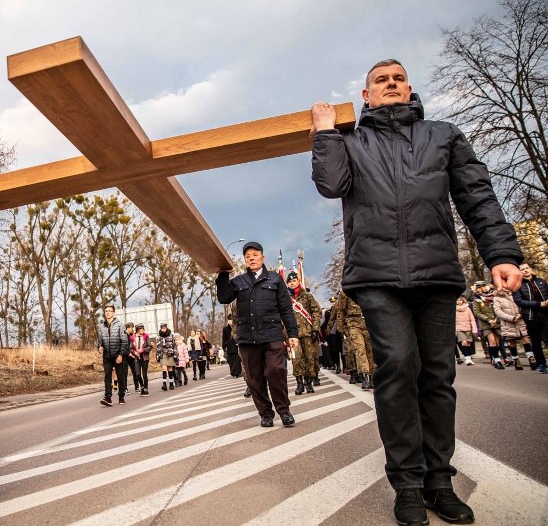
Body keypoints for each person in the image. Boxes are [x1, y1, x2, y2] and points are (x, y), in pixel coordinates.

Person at [311, 59, 523, 526]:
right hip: (377, 276)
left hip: (436, 272)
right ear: (365, 96)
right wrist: (324, 132)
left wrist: (501, 253)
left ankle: (440, 482)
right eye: (380, 81)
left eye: (398, 79)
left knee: (437, 377)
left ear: (409, 90)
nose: (391, 84)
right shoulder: (351, 141)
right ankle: (407, 484)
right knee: (399, 367)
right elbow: (331, 185)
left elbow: (477, 197)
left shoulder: (442, 136)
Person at [216, 241, 299, 428]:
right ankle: (265, 414)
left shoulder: (275, 280)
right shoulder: (238, 281)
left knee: (276, 371)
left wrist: (292, 333)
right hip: (247, 338)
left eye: (255, 254)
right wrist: (222, 275)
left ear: (263, 257)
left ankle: (284, 411)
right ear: (245, 260)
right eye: (247, 256)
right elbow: (224, 298)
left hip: (272, 335)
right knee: (254, 378)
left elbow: (286, 309)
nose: (251, 258)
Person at [285, 271, 322, 395]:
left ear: (298, 281)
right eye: (290, 282)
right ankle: (299, 383)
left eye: (294, 281)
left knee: (309, 358)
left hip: (308, 333)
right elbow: (281, 317)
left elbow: (316, 312)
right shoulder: (285, 299)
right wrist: (285, 334)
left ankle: (308, 382)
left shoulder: (307, 296)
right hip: (293, 335)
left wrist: (315, 329)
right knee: (297, 359)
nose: (292, 283)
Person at [513, 263, 548, 373]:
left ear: (530, 269)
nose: (525, 270)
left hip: (546, 314)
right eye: (522, 269)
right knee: (536, 341)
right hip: (531, 317)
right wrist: (538, 304)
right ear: (519, 272)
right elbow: (519, 301)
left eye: (527, 268)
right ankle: (541, 364)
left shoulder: (540, 281)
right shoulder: (517, 285)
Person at [98, 304, 129, 406]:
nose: (107, 312)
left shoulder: (120, 325)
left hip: (118, 355)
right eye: (106, 311)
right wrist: (99, 347)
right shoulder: (101, 326)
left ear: (114, 313)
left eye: (110, 311)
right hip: (107, 356)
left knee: (120, 377)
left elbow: (125, 341)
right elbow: (99, 341)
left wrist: (121, 355)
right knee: (107, 376)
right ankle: (108, 398)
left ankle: (121, 396)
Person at [494, 287, 531, 370]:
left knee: (525, 338)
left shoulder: (516, 294)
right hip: (508, 322)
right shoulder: (497, 298)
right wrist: (511, 318)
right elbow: (498, 312)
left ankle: (531, 358)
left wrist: (520, 314)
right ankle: (516, 360)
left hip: (520, 320)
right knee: (512, 341)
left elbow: (523, 305)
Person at [472, 282, 506, 369]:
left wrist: (496, 319)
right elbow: (477, 312)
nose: (482, 289)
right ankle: (497, 360)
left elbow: (499, 309)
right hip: (486, 324)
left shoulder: (494, 297)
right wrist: (488, 320)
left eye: (483, 286)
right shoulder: (477, 300)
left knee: (497, 342)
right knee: (492, 341)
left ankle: (494, 358)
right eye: (479, 287)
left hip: (496, 322)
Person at [454, 296, 478, 366]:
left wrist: (474, 329)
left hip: (468, 328)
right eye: (457, 300)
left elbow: (472, 319)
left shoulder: (468, 309)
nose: (459, 301)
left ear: (463, 301)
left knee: (468, 343)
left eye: (460, 300)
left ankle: (469, 357)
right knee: (463, 342)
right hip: (459, 329)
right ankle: (467, 359)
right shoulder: (454, 309)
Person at [155, 322, 178, 390]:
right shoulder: (159, 336)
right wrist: (157, 356)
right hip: (163, 353)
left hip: (170, 353)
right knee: (164, 368)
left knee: (170, 368)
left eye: (164, 328)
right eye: (162, 328)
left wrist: (175, 354)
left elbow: (174, 345)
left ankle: (171, 383)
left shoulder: (171, 335)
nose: (163, 329)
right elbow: (157, 347)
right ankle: (164, 384)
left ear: (166, 327)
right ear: (161, 328)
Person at [131, 323, 152, 395]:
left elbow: (150, 346)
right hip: (137, 358)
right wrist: (134, 352)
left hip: (144, 357)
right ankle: (142, 386)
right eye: (140, 329)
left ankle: (146, 389)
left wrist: (142, 350)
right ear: (137, 330)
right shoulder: (132, 337)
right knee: (137, 374)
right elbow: (130, 348)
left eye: (143, 329)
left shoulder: (146, 336)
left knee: (144, 373)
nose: (142, 330)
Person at [124, 322, 142, 393]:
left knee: (135, 372)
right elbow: (123, 346)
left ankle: (137, 387)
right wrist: (128, 353)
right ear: (128, 327)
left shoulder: (133, 336)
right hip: (125, 357)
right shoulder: (123, 335)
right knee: (124, 373)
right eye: (131, 327)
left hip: (132, 357)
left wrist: (135, 352)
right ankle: (125, 388)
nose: (132, 329)